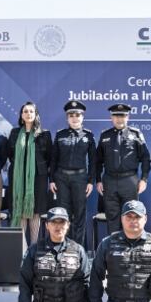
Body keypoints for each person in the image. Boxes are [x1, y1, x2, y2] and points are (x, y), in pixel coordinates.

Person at [96, 104, 150, 235]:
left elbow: (145, 158)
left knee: (131, 215)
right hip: (109, 180)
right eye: (116, 116)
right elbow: (97, 161)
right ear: (111, 118)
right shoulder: (105, 136)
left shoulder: (136, 134)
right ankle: (114, 248)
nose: (119, 119)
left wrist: (144, 179)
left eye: (123, 116)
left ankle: (129, 249)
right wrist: (98, 180)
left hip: (129, 181)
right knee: (112, 216)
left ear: (128, 117)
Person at [50, 101, 97, 248]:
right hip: (61, 179)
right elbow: (53, 159)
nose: (74, 118)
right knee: (64, 215)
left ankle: (78, 249)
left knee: (80, 215)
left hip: (80, 178)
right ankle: (64, 247)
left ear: (82, 117)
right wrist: (52, 180)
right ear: (67, 118)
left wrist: (90, 181)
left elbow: (94, 161)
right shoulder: (60, 135)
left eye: (77, 115)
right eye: (71, 115)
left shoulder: (88, 136)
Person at [6, 101, 52, 243]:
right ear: (21, 115)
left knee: (34, 212)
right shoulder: (14, 133)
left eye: (31, 111)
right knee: (20, 212)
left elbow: (50, 157)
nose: (28, 114)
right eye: (25, 111)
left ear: (36, 115)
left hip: (38, 178)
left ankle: (33, 247)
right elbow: (10, 154)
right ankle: (20, 248)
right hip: (17, 178)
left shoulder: (44, 134)